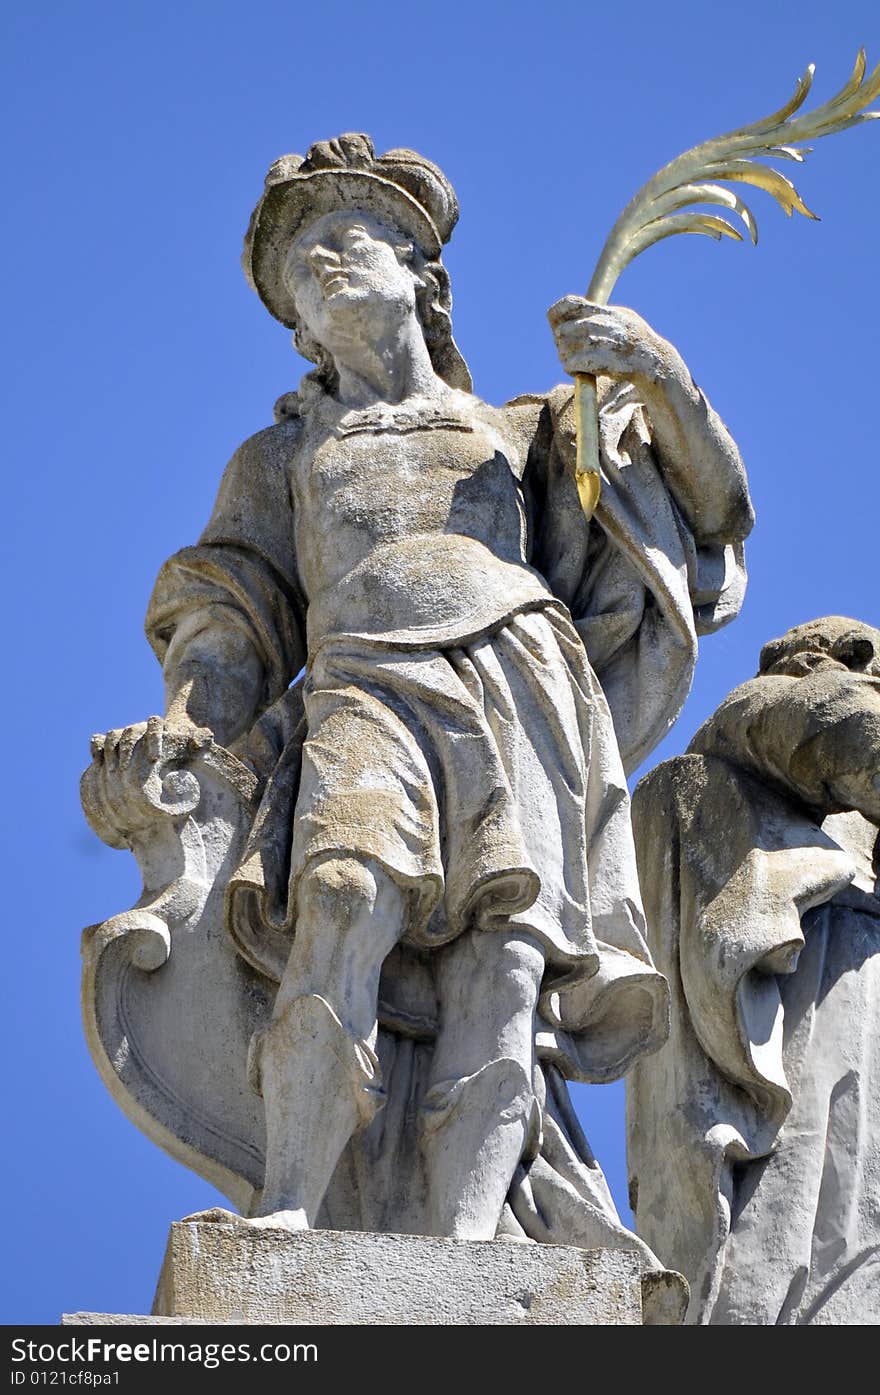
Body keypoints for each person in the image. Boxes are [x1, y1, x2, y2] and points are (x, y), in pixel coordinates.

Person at [92, 132, 753, 1244]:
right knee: (339, 904)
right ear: (297, 327)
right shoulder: (282, 454)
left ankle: (467, 1245)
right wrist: (186, 724)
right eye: (302, 264)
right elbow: (231, 607)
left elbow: (710, 508)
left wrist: (657, 377)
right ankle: (295, 1201)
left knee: (503, 964)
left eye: (347, 241)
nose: (324, 266)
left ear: (421, 279)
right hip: (360, 683)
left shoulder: (525, 430)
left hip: (520, 681)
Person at [628, 616, 880, 1322]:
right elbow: (838, 727)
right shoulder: (743, 740)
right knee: (787, 1240)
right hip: (793, 1042)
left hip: (853, 1031)